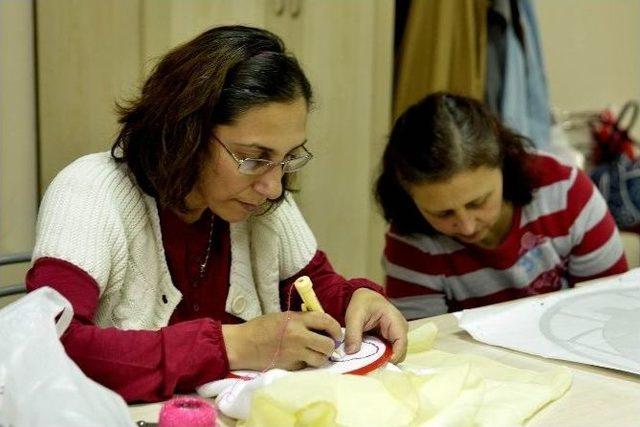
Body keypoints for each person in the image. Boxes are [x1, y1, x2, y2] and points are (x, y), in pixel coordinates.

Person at [27, 26, 407, 403]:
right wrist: (235, 345)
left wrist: (358, 299)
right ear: (185, 133)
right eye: (254, 157)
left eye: (288, 157)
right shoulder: (89, 192)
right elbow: (48, 346)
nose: (273, 187)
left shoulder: (259, 200)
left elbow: (313, 287)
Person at [376, 92, 628, 319]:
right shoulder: (410, 240)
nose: (466, 226)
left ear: (504, 163)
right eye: (442, 213)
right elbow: (426, 348)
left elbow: (609, 309)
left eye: (478, 202)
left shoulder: (565, 192)